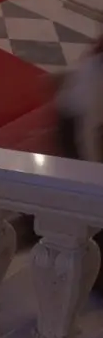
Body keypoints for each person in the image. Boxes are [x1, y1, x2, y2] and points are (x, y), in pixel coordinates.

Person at [55, 36, 103, 294]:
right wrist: (93, 171)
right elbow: (86, 130)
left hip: (84, 127)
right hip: (78, 132)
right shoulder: (95, 74)